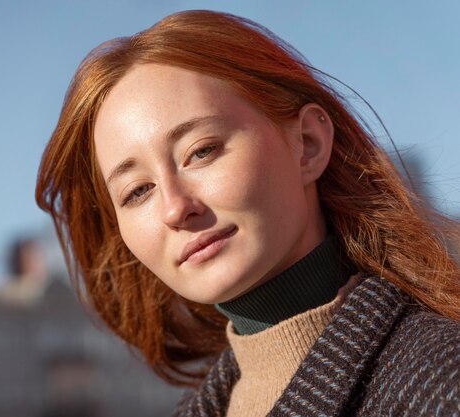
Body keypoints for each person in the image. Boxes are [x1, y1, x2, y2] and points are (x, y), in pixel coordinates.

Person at [35, 10, 460, 417]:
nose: (175, 208)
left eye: (201, 152)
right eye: (137, 192)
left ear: (308, 143)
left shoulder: (440, 382)